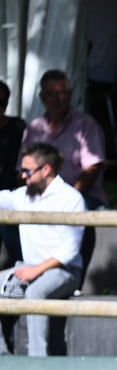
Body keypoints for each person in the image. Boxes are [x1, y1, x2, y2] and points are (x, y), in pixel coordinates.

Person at [22, 69, 107, 290]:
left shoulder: (85, 125)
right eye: (49, 94)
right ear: (41, 97)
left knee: (81, 216)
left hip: (82, 195)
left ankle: (75, 279)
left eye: (60, 93)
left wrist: (69, 196)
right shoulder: (33, 128)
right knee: (12, 221)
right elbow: (21, 169)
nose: (55, 99)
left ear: (69, 95)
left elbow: (92, 168)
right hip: (41, 195)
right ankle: (27, 269)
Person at [0, 144, 86, 356]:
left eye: (27, 171)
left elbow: (70, 251)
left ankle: (38, 364)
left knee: (35, 293)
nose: (22, 175)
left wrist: (36, 270)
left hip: (64, 271)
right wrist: (31, 270)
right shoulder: (24, 195)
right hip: (29, 268)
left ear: (46, 169)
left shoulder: (71, 198)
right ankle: (3, 358)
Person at [0, 80, 27, 353]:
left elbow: (23, 171)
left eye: (0, 102)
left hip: (12, 201)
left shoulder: (18, 128)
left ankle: (23, 267)